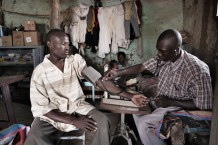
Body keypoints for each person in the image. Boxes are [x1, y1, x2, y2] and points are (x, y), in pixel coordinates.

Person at [24, 29, 147, 145]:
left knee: (103, 122)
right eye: (62, 44)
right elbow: (42, 109)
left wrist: (130, 96)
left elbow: (99, 81)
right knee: (35, 136)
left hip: (77, 106)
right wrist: (73, 120)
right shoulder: (39, 73)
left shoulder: (75, 61)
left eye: (68, 44)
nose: (67, 47)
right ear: (49, 44)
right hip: (52, 114)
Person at [105, 29, 213, 145]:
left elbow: (203, 105)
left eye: (162, 51)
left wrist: (170, 102)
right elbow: (143, 67)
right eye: (158, 50)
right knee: (136, 111)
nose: (159, 54)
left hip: (180, 108)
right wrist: (117, 72)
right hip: (164, 103)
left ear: (176, 50)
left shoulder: (197, 71)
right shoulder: (165, 56)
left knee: (143, 124)